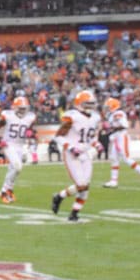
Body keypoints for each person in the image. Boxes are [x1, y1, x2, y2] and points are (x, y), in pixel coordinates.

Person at [51, 90, 102, 222]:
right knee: (81, 185)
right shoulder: (72, 116)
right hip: (71, 154)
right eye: (87, 104)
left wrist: (96, 144)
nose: (90, 107)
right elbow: (57, 136)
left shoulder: (95, 117)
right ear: (80, 104)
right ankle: (59, 196)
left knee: (86, 186)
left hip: (85, 153)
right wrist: (71, 147)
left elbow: (89, 137)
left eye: (92, 104)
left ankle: (74, 212)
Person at [0, 96, 36, 203]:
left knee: (14, 169)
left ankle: (9, 189)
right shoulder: (8, 115)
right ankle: (4, 191)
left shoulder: (30, 117)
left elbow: (30, 129)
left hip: (20, 145)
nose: (22, 110)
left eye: (24, 108)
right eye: (20, 108)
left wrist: (31, 133)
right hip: (9, 144)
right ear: (15, 107)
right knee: (18, 166)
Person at [101, 98, 140, 188]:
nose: (107, 108)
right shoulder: (113, 115)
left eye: (108, 107)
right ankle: (113, 181)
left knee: (126, 158)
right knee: (114, 159)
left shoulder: (118, 113)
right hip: (116, 137)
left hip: (121, 136)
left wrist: (110, 128)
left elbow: (123, 125)